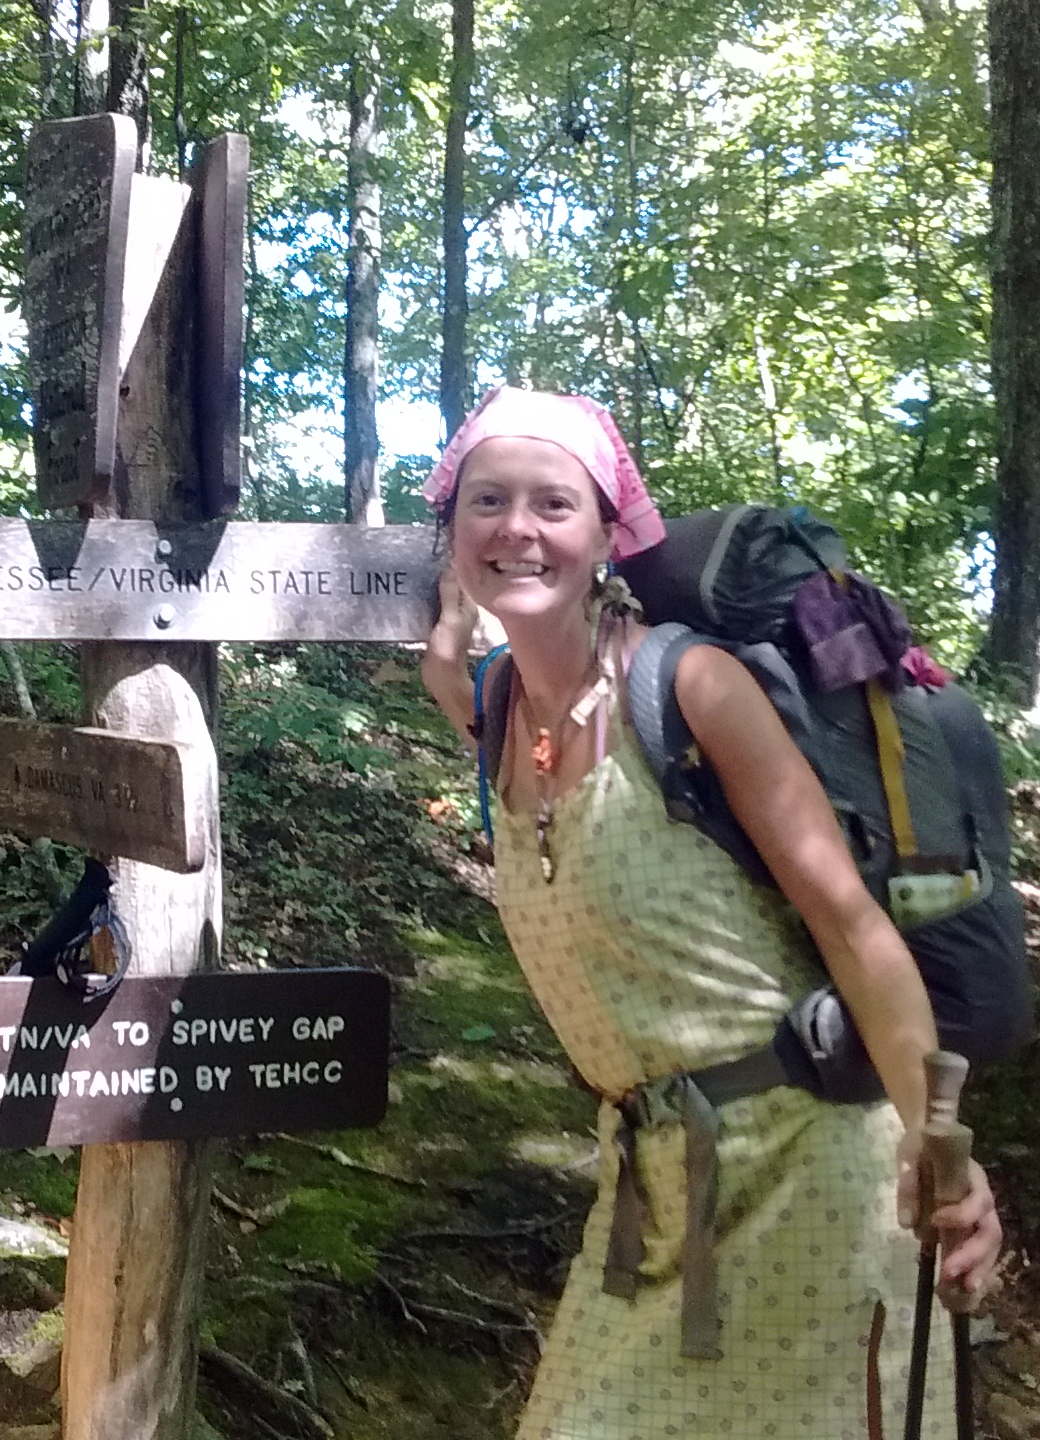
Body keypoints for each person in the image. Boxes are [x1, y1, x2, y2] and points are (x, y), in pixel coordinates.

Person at [418, 387, 1002, 1440]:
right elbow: (473, 702)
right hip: (651, 1187)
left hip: (809, 1176)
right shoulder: (503, 707)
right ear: (451, 531)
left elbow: (851, 925)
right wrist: (447, 652)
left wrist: (937, 1143)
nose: (517, 528)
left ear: (610, 535)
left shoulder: (691, 688)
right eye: (486, 502)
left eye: (554, 503)